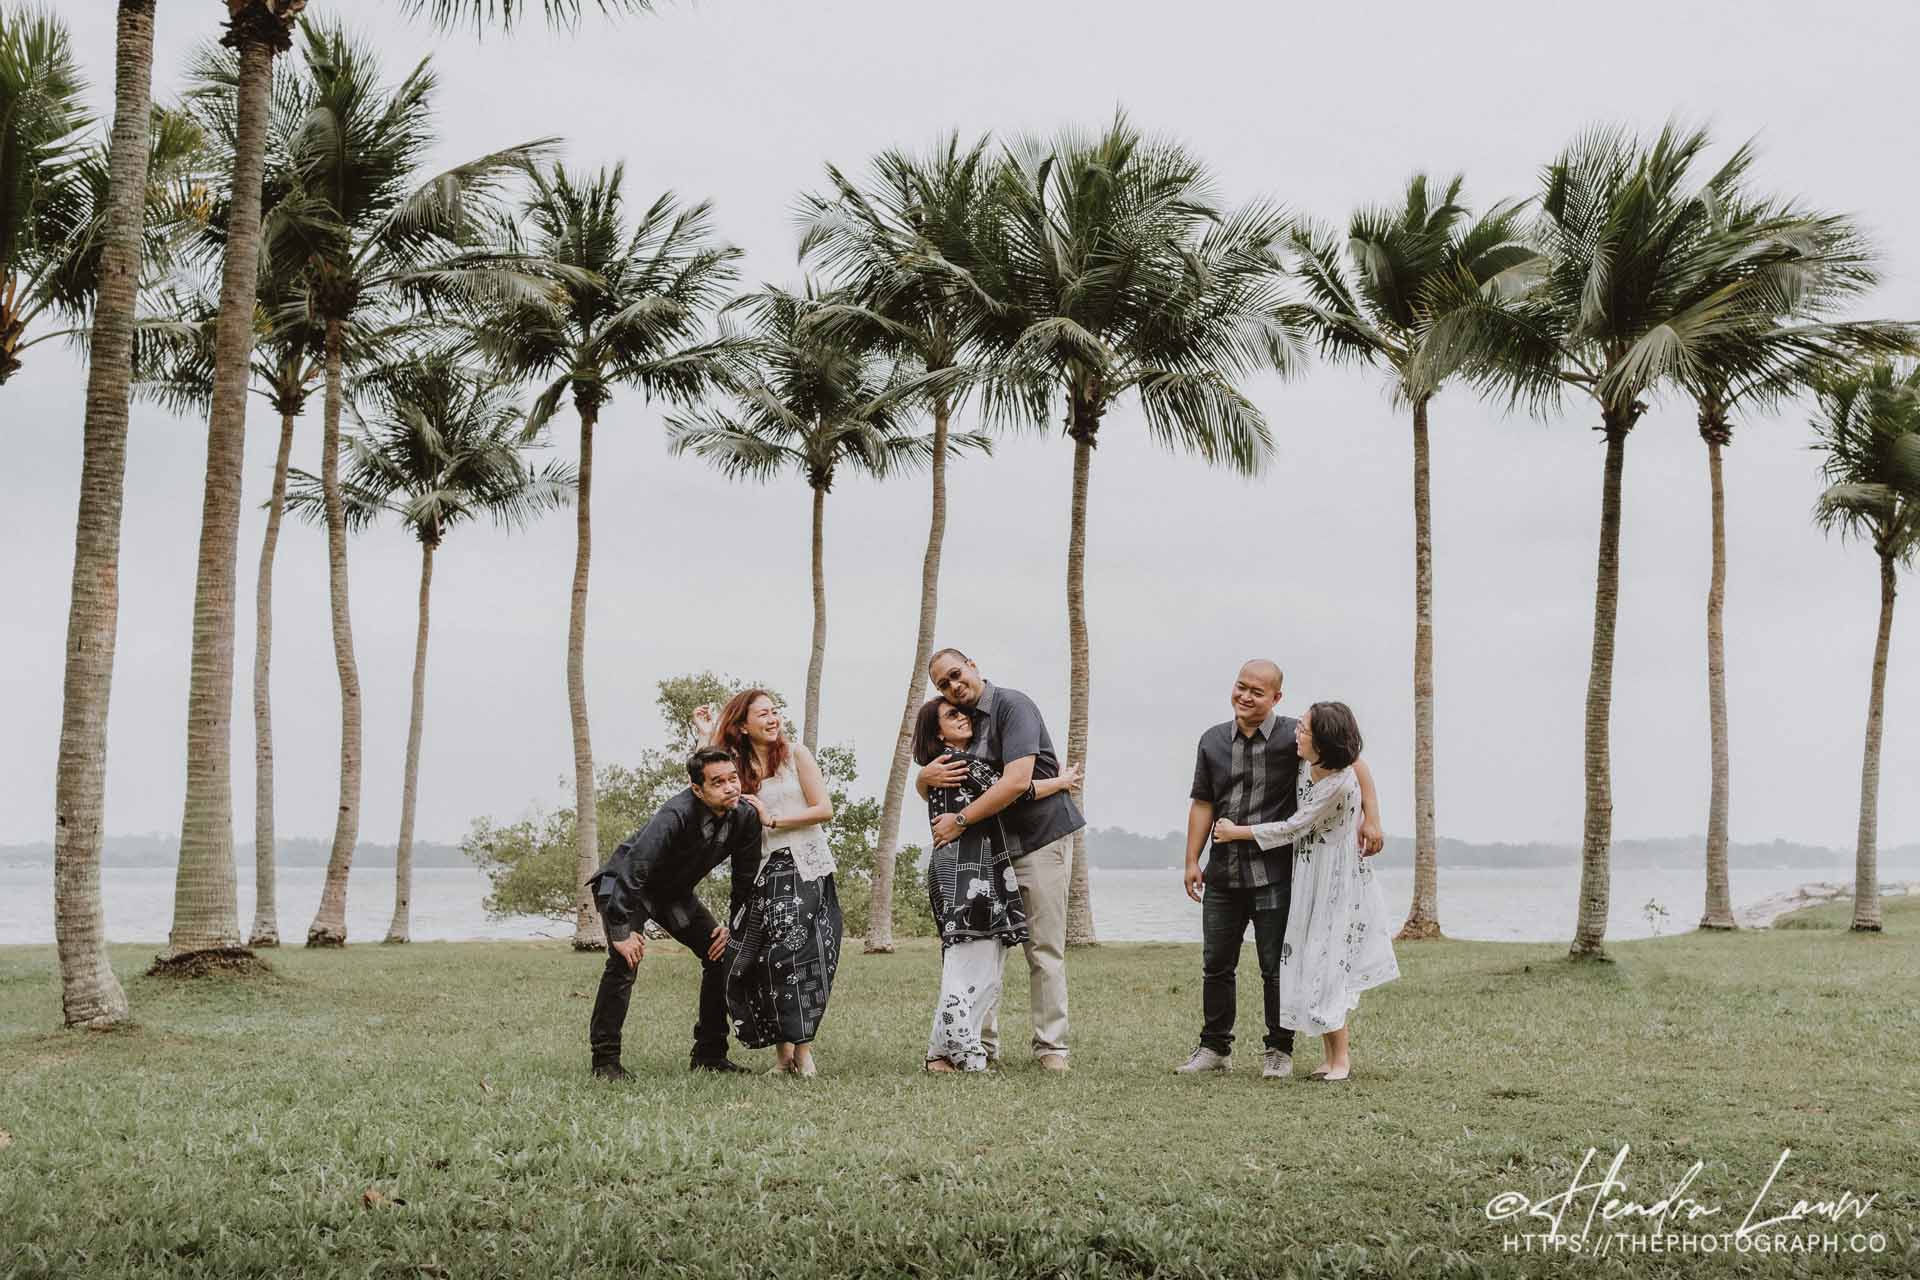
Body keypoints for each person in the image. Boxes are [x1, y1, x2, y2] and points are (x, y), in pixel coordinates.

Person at [1177, 661, 1384, 1079]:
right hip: (1224, 873)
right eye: (1240, 687)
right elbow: (1203, 802)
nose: (1246, 696)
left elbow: (1353, 760)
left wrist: (1372, 818)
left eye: (1257, 691)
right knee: (1216, 964)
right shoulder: (1212, 740)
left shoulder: (1297, 735)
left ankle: (1279, 1050)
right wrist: (1190, 860)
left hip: (1276, 873)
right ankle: (1214, 1047)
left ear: (1276, 698)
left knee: (1277, 966)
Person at [1212, 701, 1400, 1082]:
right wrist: (1372, 814)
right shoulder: (1310, 763)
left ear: (1324, 741)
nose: (1297, 734)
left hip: (1334, 879)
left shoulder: (1337, 782)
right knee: (1315, 961)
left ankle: (1341, 1059)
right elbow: (1359, 761)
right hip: (1310, 874)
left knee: (1329, 963)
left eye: (1305, 731)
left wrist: (1237, 832)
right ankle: (1330, 1058)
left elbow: (1293, 827)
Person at [915, 649, 1083, 1073]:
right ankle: (979, 1043)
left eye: (955, 675)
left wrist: (961, 821)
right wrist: (922, 778)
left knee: (1043, 948)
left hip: (1040, 840)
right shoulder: (963, 727)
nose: (953, 686)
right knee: (987, 948)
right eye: (943, 685)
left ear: (972, 665)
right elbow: (948, 787)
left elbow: (1016, 783)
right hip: (990, 853)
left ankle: (1051, 1047)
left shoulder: (1013, 706)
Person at [583, 747, 760, 1080]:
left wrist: (735, 928)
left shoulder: (746, 817)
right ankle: (605, 1062)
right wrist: (620, 927)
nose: (730, 787)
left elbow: (745, 882)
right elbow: (637, 864)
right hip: (625, 888)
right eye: (718, 782)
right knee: (624, 962)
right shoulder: (676, 813)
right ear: (698, 789)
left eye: (733, 778)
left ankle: (709, 1055)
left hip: (672, 895)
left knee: (720, 955)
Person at [693, 691, 839, 1078]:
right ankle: (782, 1056)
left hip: (803, 864)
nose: (773, 718)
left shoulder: (796, 754)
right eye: (763, 713)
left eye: (775, 711)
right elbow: (704, 780)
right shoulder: (737, 768)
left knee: (798, 956)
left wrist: (773, 820)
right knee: (765, 962)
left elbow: (823, 809)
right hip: (763, 871)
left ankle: (803, 1052)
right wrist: (706, 735)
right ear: (743, 725)